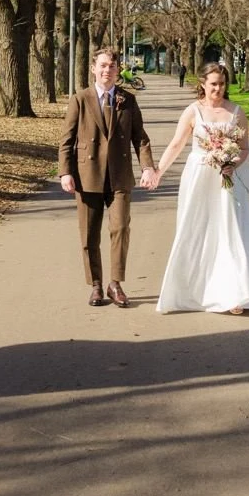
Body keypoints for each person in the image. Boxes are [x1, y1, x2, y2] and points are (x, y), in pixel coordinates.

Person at [149, 62, 249, 315]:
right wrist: (158, 171)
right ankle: (192, 290)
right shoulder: (192, 111)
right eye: (213, 84)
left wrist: (231, 162)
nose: (218, 89)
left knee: (229, 229)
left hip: (227, 178)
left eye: (222, 84)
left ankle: (234, 293)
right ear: (202, 84)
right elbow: (177, 144)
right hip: (198, 177)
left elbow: (244, 148)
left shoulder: (236, 112)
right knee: (197, 229)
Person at [58, 48, 158, 308]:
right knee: (89, 235)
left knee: (121, 228)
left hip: (119, 176)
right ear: (93, 68)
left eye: (112, 67)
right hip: (87, 176)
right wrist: (65, 171)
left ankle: (115, 283)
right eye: (102, 66)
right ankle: (96, 285)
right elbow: (66, 139)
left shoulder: (128, 100)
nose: (107, 71)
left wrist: (148, 167)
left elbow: (140, 138)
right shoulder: (80, 99)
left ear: (118, 70)